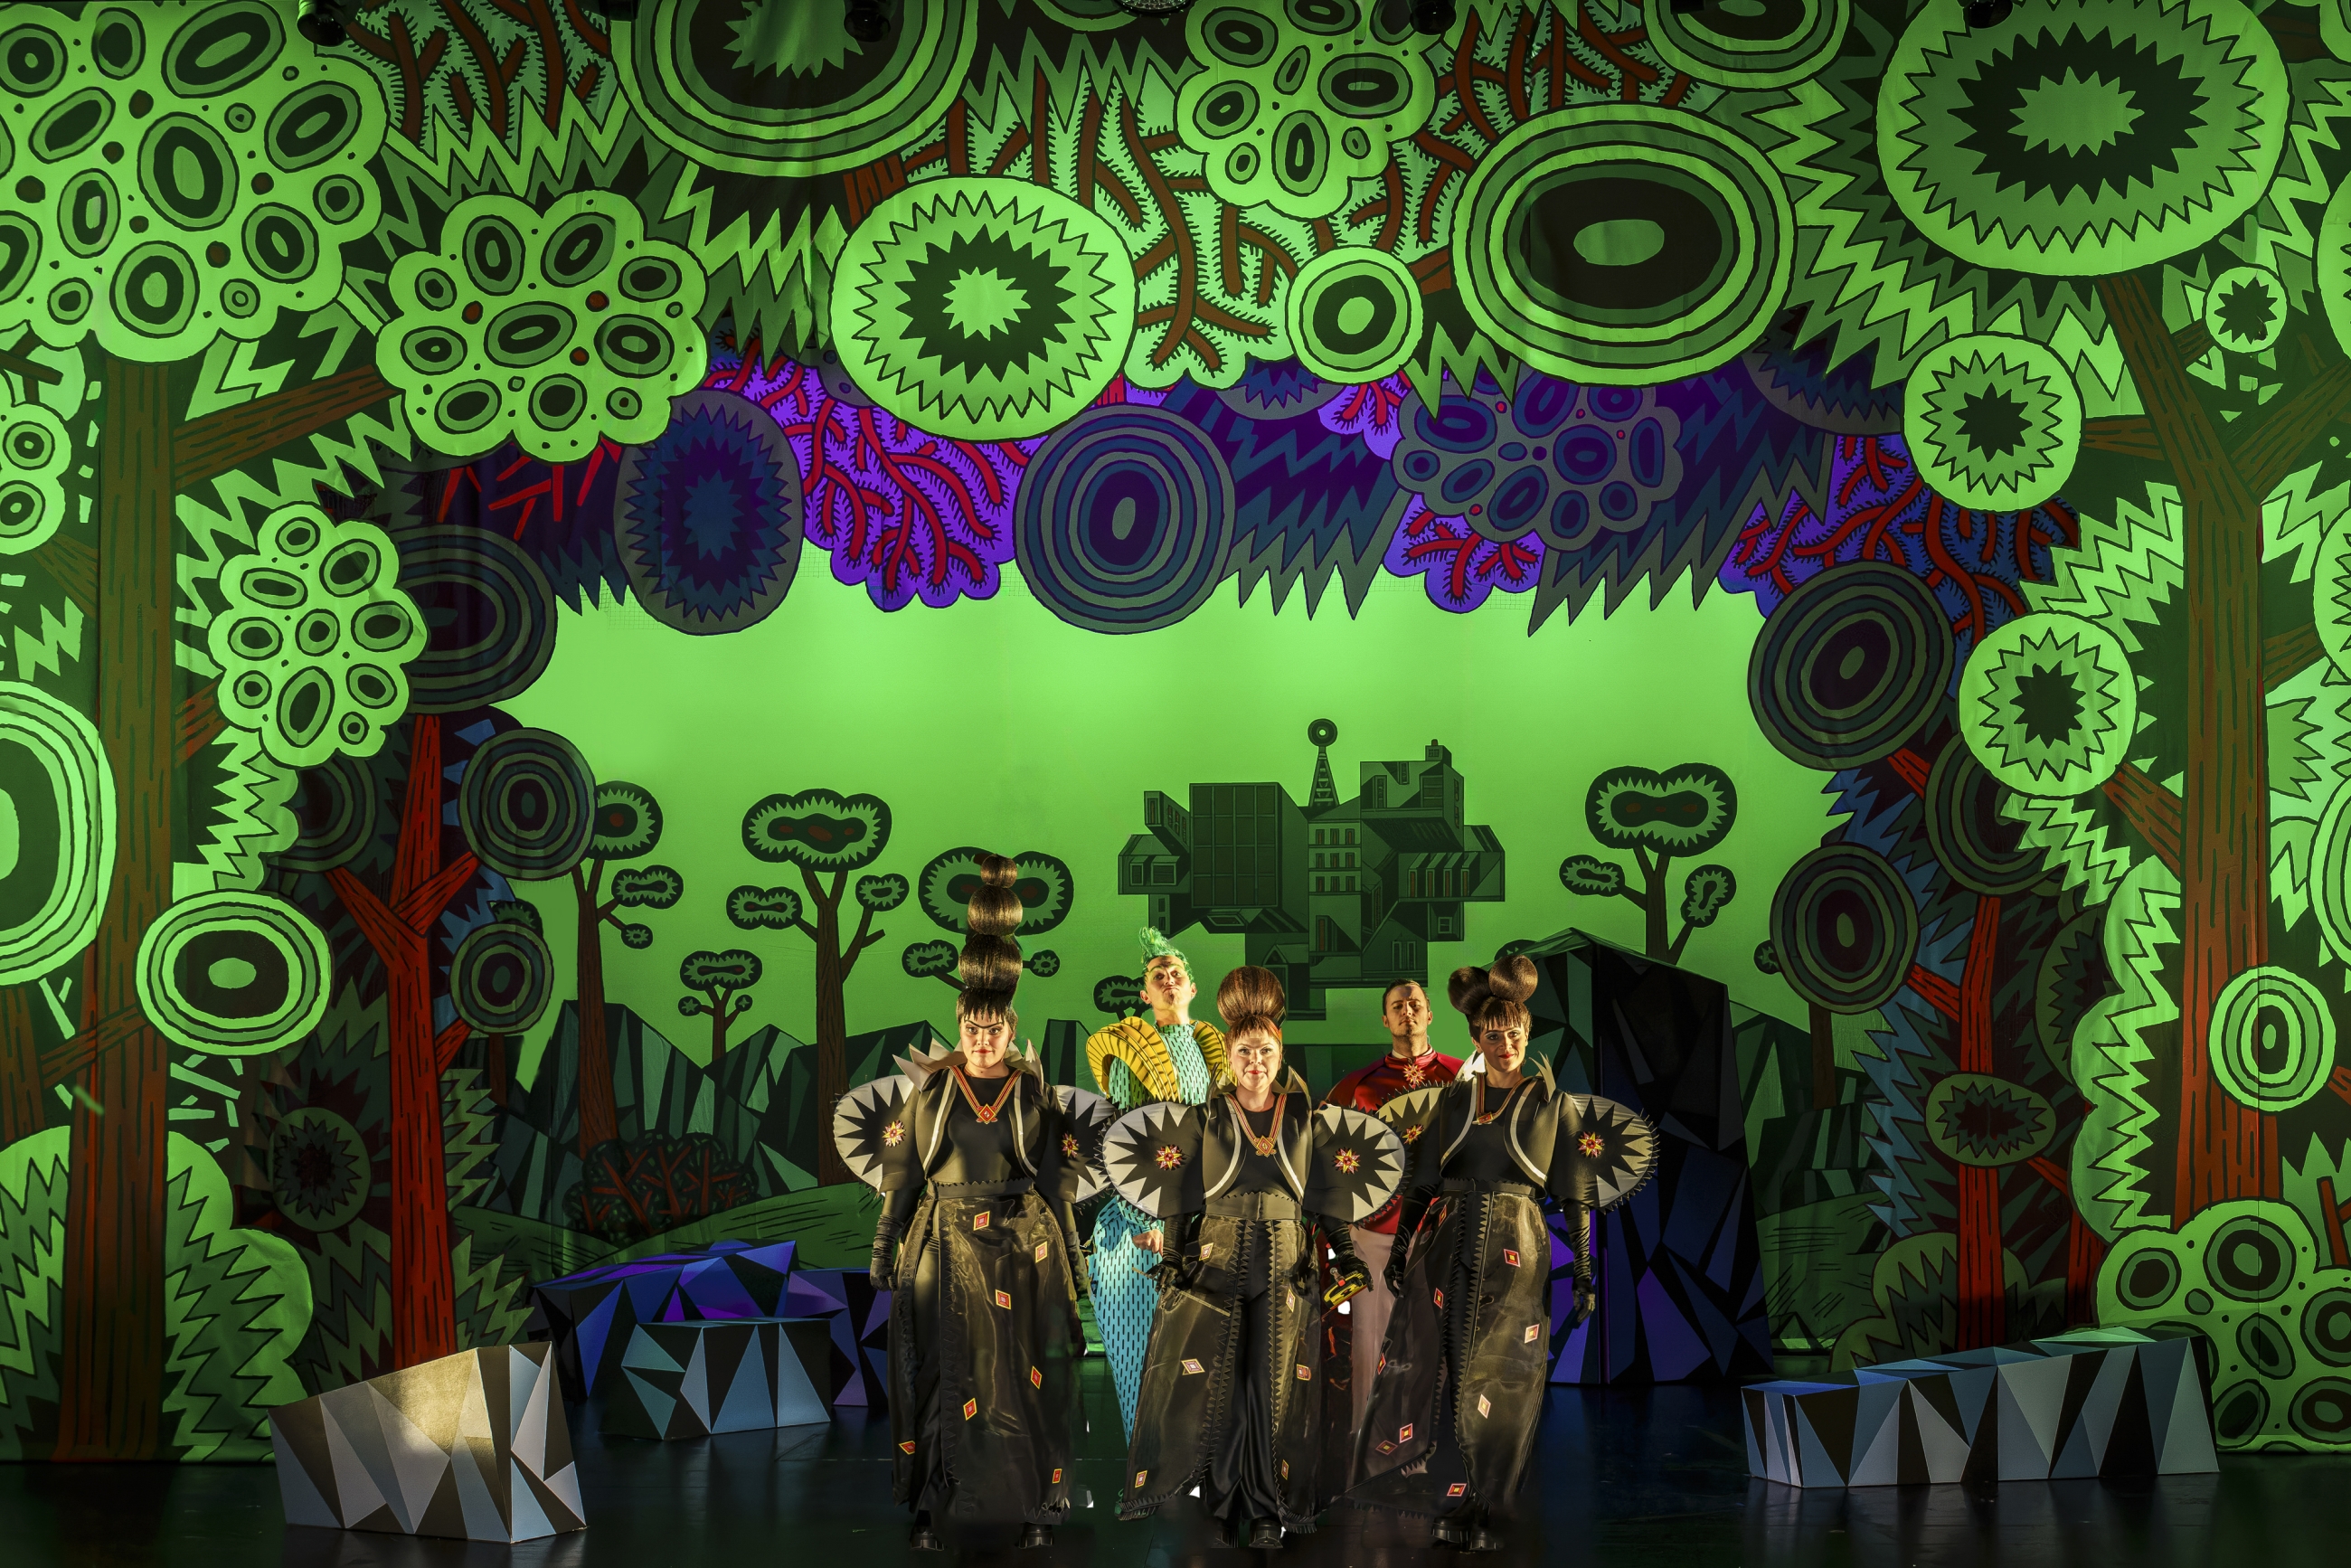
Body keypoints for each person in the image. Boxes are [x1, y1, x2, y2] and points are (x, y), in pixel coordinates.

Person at [865, 855, 1088, 1552]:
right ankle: (931, 1509)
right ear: (959, 1024)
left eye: (994, 1029)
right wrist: (885, 1242)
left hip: (1021, 1243)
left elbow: (1057, 1182)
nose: (982, 1040)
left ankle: (1036, 1508)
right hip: (941, 1241)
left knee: (1024, 1377)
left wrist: (1074, 1260)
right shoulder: (930, 1092)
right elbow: (903, 1173)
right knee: (937, 1373)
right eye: (971, 1028)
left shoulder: (1034, 1094)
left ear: (1010, 1027)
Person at [1118, 967, 1374, 1548]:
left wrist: (1346, 1256)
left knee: (1271, 1389)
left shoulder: (1306, 1119)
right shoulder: (1204, 1118)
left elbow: (1327, 1199)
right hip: (1216, 1262)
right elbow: (1181, 1196)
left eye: (1266, 1051)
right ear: (1229, 1057)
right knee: (1220, 1385)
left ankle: (1265, 1509)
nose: (1255, 1061)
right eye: (1244, 1051)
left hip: (1285, 1266)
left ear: (1280, 1056)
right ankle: (1223, 1502)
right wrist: (1175, 1256)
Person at [1355, 955, 1598, 1553]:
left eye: (1514, 1034)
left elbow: (1577, 1194)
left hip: (1518, 1248)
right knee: (1459, 1372)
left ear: (1527, 1034)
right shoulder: (1454, 1102)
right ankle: (1465, 1493)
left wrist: (1585, 1271)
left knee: (1505, 1373)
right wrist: (1402, 1247)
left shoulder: (1554, 1105)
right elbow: (1421, 1183)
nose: (1506, 1045)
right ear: (1476, 1040)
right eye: (1494, 1036)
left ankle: (1489, 1500)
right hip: (1451, 1244)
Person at [1085, 928, 1228, 1434]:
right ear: (1145, 995)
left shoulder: (1216, 1052)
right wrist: (1143, 1220)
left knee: (1198, 1361)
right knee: (1140, 1357)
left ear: (1192, 987)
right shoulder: (1130, 1050)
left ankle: (1190, 1462)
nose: (1168, 979)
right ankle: (1143, 1460)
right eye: (1157, 975)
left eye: (1176, 973)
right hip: (1141, 1226)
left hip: (1203, 1222)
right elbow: (1124, 1140)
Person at [1320, 979, 1464, 1431]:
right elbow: (1325, 1160)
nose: (1408, 1011)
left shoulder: (1464, 1078)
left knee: (1438, 1348)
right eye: (1398, 1006)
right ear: (1386, 1020)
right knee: (1372, 1347)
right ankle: (1368, 1451)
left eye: (1415, 1004)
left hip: (1443, 1234)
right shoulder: (1355, 1087)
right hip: (1376, 1235)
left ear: (1430, 1014)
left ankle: (1422, 1454)